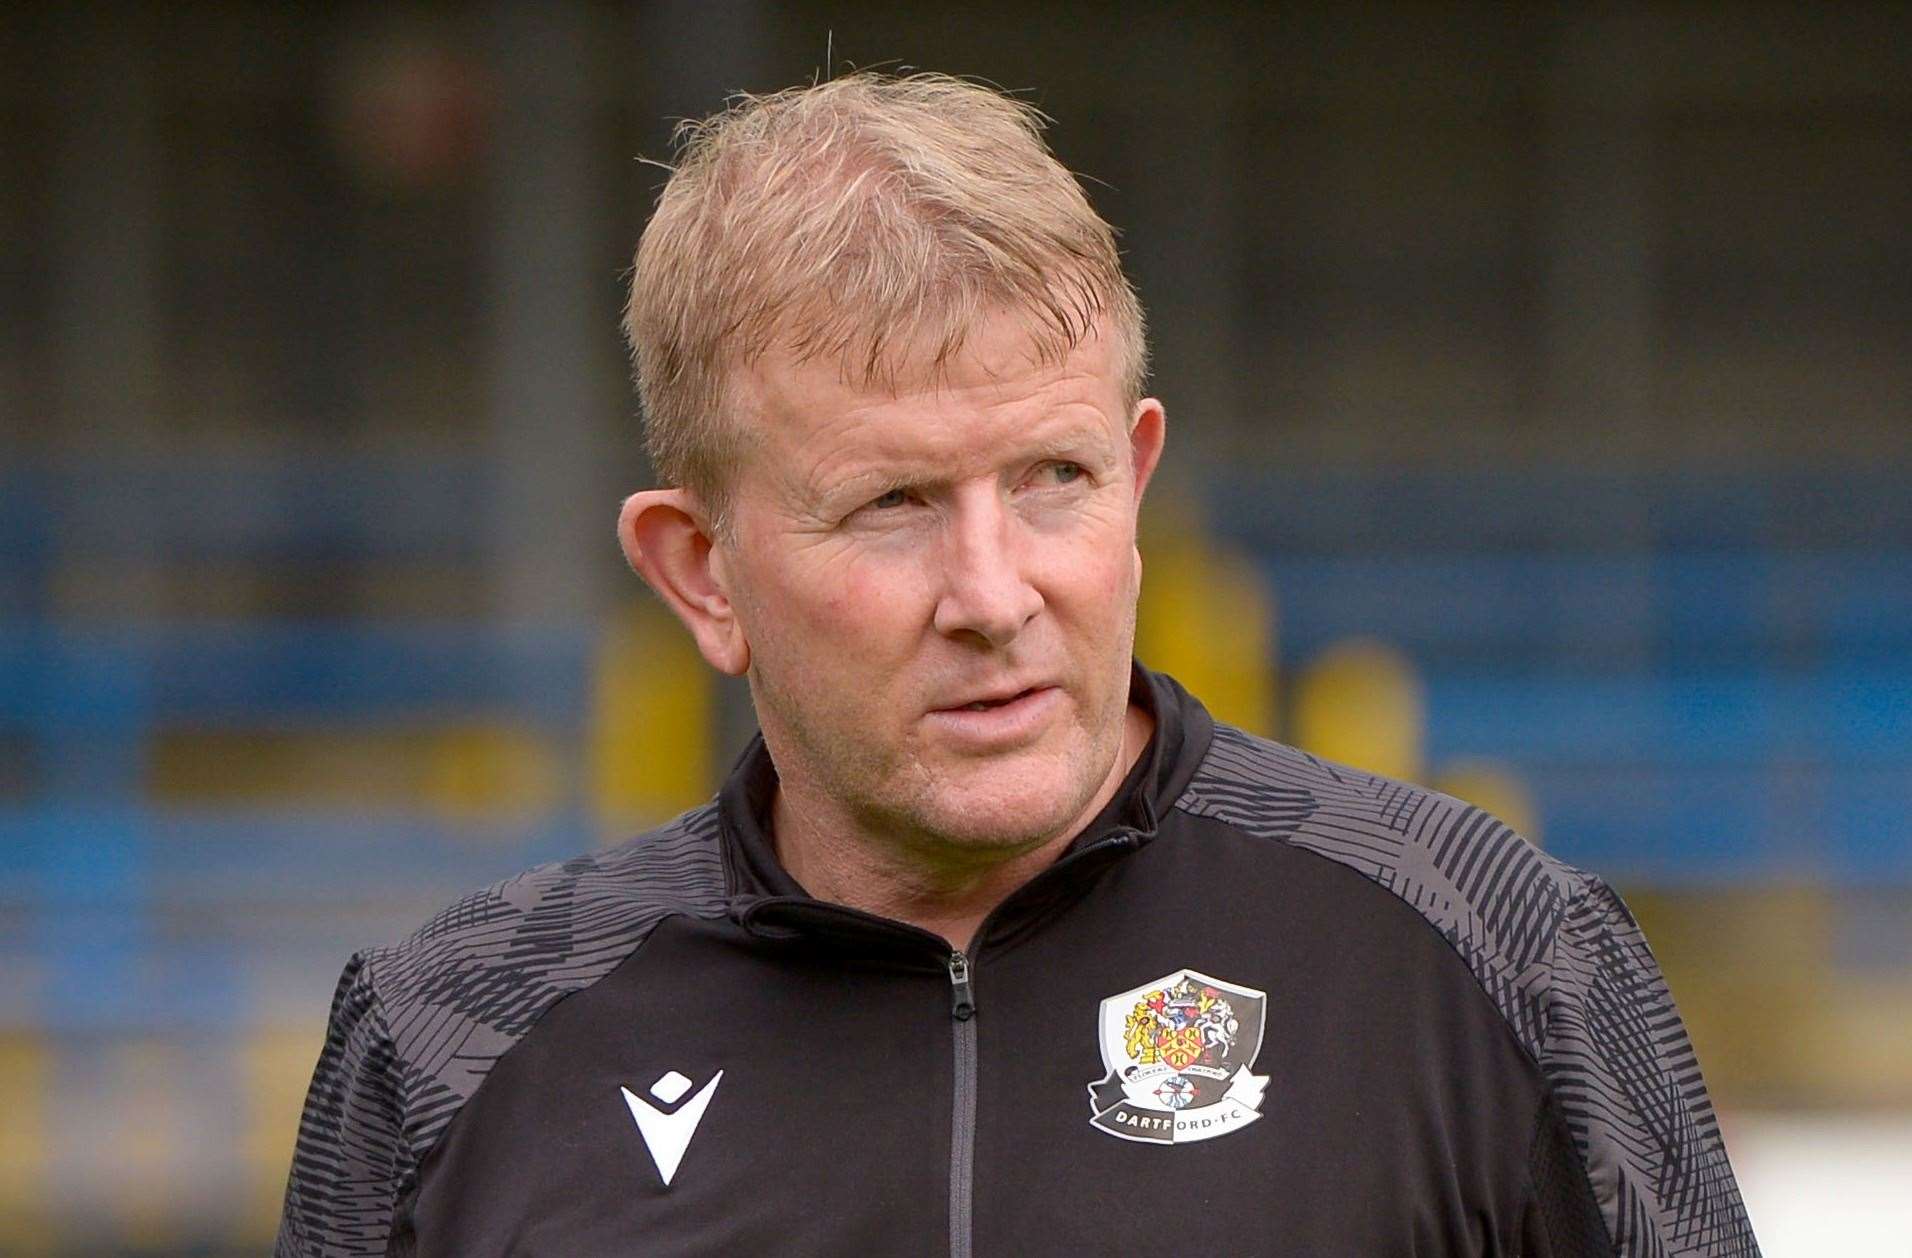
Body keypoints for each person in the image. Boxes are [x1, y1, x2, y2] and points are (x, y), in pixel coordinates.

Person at [277, 73, 1758, 1256]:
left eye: (1053, 478)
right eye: (892, 505)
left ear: (1138, 473)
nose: (993, 592)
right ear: (700, 569)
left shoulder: (1494, 955)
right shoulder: (450, 1048)